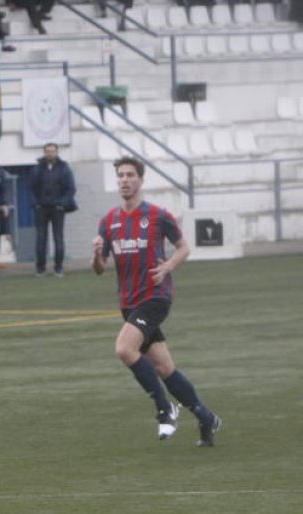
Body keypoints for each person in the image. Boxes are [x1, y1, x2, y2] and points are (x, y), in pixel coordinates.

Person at [92, 157, 222, 447]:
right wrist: (96, 254)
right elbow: (100, 268)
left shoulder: (158, 215)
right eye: (120, 176)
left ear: (140, 180)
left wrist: (167, 267)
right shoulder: (109, 221)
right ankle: (206, 418)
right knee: (164, 368)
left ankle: (165, 409)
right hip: (128, 303)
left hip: (155, 297)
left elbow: (183, 248)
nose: (124, 180)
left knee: (125, 349)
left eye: (129, 175)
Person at [30, 142, 76, 277]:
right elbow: (31, 188)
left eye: (52, 151)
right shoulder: (37, 168)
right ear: (44, 152)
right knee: (41, 238)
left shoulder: (64, 168)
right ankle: (40, 268)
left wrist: (62, 203)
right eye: (48, 151)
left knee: (58, 238)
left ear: (57, 152)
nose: (50, 153)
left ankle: (58, 267)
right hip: (41, 208)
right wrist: (35, 204)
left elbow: (71, 188)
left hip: (58, 208)